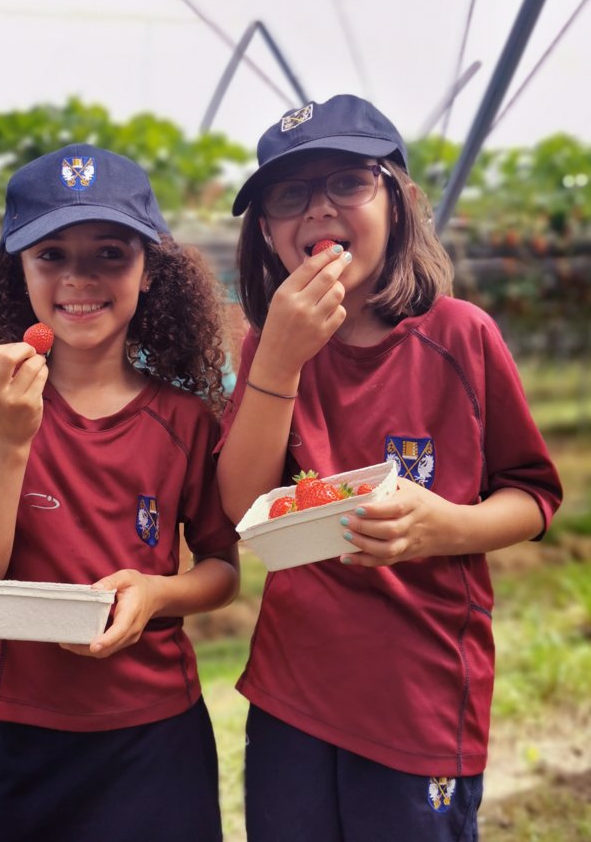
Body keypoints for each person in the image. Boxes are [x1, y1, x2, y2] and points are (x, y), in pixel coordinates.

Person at [216, 95, 562, 841]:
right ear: (267, 232)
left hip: (422, 694)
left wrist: (449, 527)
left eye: (347, 183)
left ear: (397, 203)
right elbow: (242, 509)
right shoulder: (265, 345)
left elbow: (534, 495)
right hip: (293, 691)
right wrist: (279, 356)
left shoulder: (461, 337)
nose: (318, 212)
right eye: (290, 195)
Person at [0, 144, 239, 842]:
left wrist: (157, 594)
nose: (80, 278)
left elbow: (222, 570)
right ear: (19, 273)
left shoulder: (183, 420)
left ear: (150, 271)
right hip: (32, 735)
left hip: (158, 734)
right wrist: (11, 441)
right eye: (52, 255)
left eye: (109, 253)